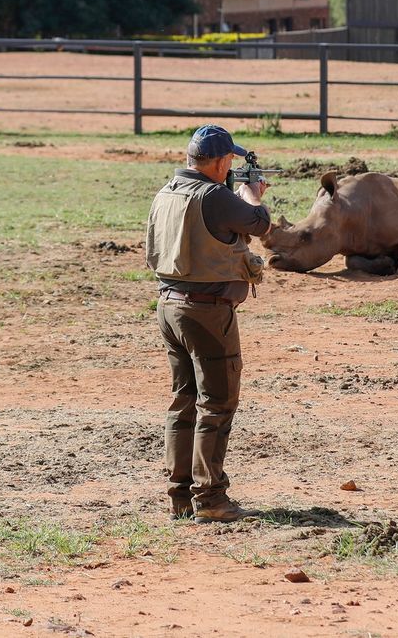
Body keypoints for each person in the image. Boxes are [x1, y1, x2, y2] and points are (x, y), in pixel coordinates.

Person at [144, 125, 270, 523]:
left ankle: (180, 495)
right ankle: (211, 498)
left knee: (184, 401)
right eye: (229, 161)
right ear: (219, 162)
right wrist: (251, 195)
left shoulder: (167, 192)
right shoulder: (216, 195)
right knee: (216, 404)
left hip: (169, 305)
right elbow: (259, 223)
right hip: (207, 310)